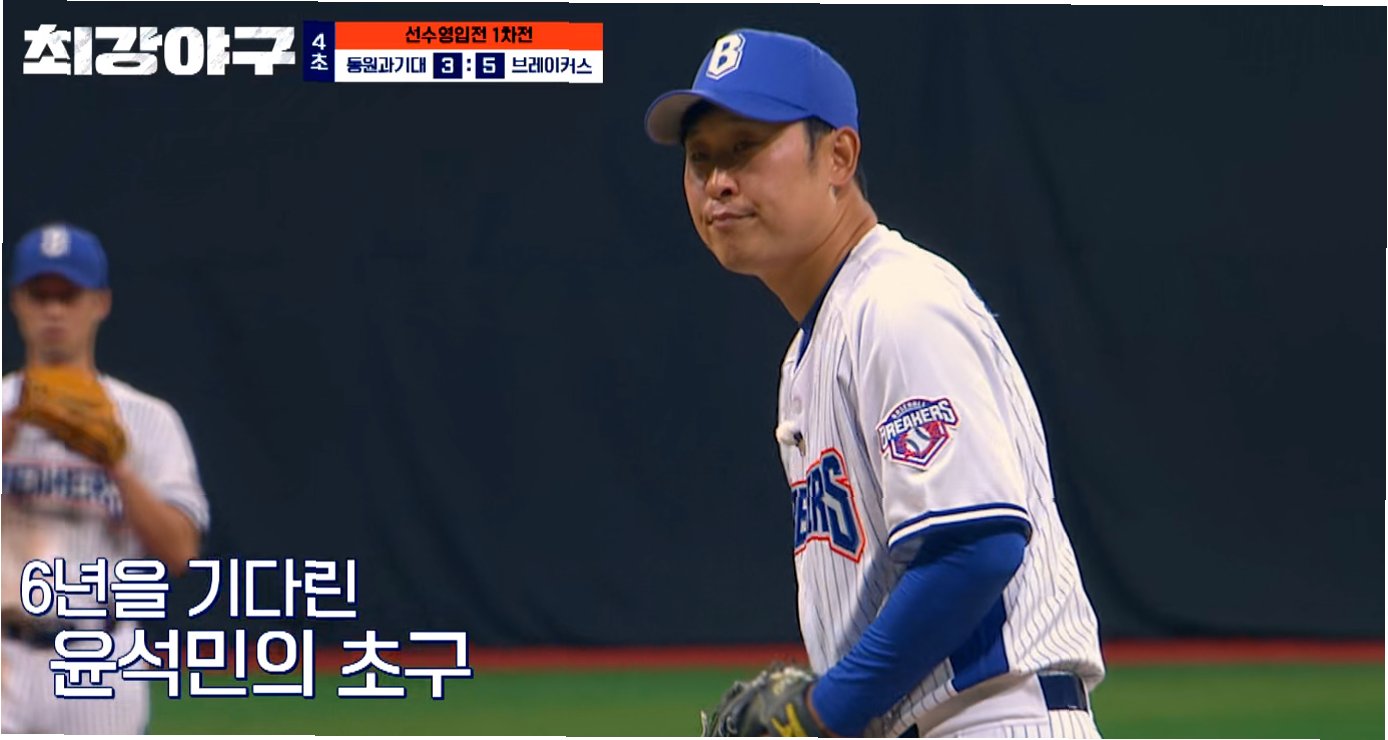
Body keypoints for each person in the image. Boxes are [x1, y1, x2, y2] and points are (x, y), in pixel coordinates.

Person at [645, 30, 1105, 738]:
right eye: (700, 158)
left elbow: (976, 546)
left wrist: (821, 711)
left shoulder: (897, 302)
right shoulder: (816, 347)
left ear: (838, 157)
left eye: (745, 147)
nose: (718, 182)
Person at [2, 222, 210, 733]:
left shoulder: (148, 420)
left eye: (68, 296)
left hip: (100, 657)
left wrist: (118, 468)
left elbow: (181, 553)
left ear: (100, 303)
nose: (54, 311)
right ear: (17, 303)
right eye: (40, 295)